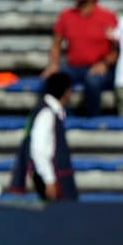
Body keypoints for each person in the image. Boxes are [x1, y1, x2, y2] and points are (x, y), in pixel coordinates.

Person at [42, 0, 116, 117]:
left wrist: (105, 64)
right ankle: (62, 117)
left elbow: (116, 49)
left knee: (93, 81)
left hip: (99, 67)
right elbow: (56, 44)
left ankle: (92, 119)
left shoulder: (107, 17)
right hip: (74, 67)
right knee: (53, 79)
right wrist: (53, 64)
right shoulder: (66, 15)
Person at [28, 71, 78, 201]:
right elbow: (38, 149)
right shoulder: (47, 113)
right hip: (53, 178)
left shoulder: (53, 112)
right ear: (66, 92)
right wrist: (49, 180)